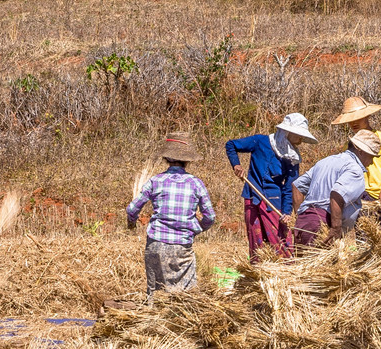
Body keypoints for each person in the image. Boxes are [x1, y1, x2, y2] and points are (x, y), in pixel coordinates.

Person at [126, 133, 217, 296]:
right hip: (181, 247)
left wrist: (131, 222)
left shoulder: (156, 181)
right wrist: (198, 228)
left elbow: (132, 209)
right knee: (185, 297)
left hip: (155, 245)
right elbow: (210, 217)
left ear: (167, 158)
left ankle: (152, 317)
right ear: (187, 160)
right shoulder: (195, 184)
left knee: (155, 293)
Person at [224, 113, 315, 261]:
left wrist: (286, 212)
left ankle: (285, 271)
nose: (300, 140)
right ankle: (258, 272)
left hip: (273, 202)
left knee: (279, 241)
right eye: (298, 136)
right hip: (252, 196)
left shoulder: (292, 159)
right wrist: (236, 165)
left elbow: (289, 187)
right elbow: (231, 145)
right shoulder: (260, 142)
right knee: (256, 240)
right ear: (288, 132)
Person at [291, 132, 375, 249]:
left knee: (304, 265)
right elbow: (337, 194)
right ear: (361, 151)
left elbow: (297, 186)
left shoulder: (326, 161)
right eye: (371, 156)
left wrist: (299, 216)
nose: (371, 162)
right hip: (323, 226)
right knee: (319, 266)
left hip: (305, 223)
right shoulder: (354, 169)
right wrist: (336, 228)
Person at [334, 96, 381, 228]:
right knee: (363, 235)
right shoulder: (350, 145)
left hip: (380, 197)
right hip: (359, 197)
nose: (354, 123)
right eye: (350, 120)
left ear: (367, 116)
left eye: (358, 118)